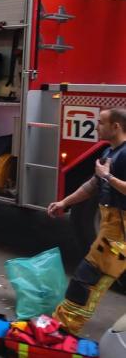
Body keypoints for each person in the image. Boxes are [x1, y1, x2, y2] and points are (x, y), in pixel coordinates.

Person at [48, 108, 126, 336]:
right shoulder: (110, 153)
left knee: (87, 279)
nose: (96, 126)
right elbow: (92, 186)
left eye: (101, 122)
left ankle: (62, 330)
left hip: (119, 232)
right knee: (91, 278)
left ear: (116, 127)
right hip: (111, 227)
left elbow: (105, 180)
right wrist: (64, 202)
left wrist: (108, 177)